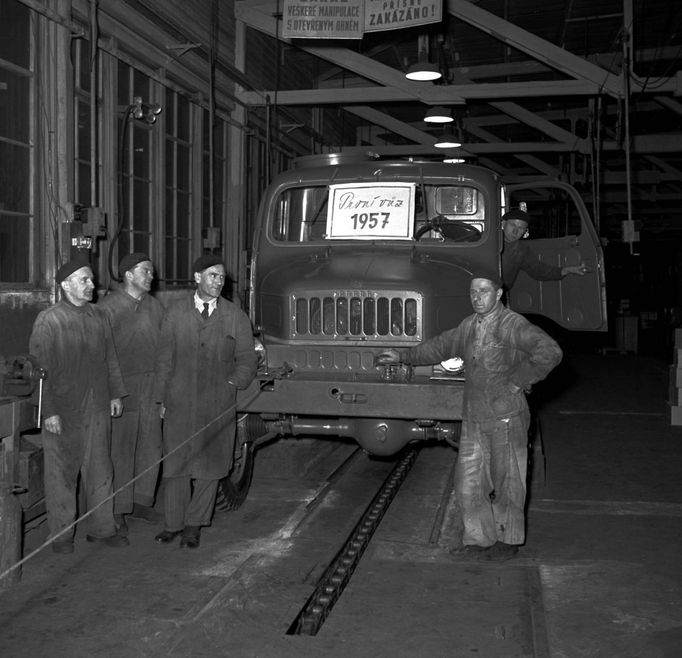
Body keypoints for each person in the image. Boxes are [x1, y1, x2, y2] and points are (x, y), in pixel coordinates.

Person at [375, 272, 562, 561]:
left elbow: (550, 351)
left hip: (505, 417)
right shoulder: (469, 326)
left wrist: (519, 380)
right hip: (474, 417)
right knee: (468, 483)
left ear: (498, 294)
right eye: (473, 292)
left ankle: (507, 539)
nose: (477, 297)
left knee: (508, 482)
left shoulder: (512, 325)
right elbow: (439, 346)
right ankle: (478, 539)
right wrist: (403, 356)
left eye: (484, 291)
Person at [152, 255, 257, 549]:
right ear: (197, 277)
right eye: (212, 275)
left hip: (217, 403)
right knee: (175, 465)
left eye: (222, 277)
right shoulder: (175, 314)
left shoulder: (235, 316)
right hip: (179, 401)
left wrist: (233, 383)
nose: (219, 281)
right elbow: (163, 359)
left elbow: (247, 359)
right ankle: (173, 524)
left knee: (209, 467)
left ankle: (193, 525)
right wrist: (161, 398)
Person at [29, 258, 129, 553]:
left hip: (97, 405)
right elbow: (40, 369)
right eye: (84, 280)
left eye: (91, 279)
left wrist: (115, 394)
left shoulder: (99, 316)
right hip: (64, 410)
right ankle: (61, 537)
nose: (91, 285)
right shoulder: (49, 320)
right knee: (61, 474)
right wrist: (49, 411)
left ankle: (102, 528)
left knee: (101, 470)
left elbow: (111, 358)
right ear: (65, 285)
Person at [98, 253, 164, 535]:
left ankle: (141, 500)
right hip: (123, 387)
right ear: (128, 275)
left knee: (151, 445)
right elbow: (100, 353)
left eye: (151, 272)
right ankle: (118, 507)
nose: (151, 276)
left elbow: (166, 349)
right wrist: (113, 391)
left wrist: (165, 391)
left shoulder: (155, 307)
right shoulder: (108, 307)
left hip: (151, 386)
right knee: (121, 450)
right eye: (145, 272)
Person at [501, 208, 589, 289]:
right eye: (513, 225)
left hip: (499, 294)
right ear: (503, 223)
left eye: (520, 228)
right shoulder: (488, 241)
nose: (515, 231)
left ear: (524, 232)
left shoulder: (521, 250)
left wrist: (568, 270)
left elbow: (540, 271)